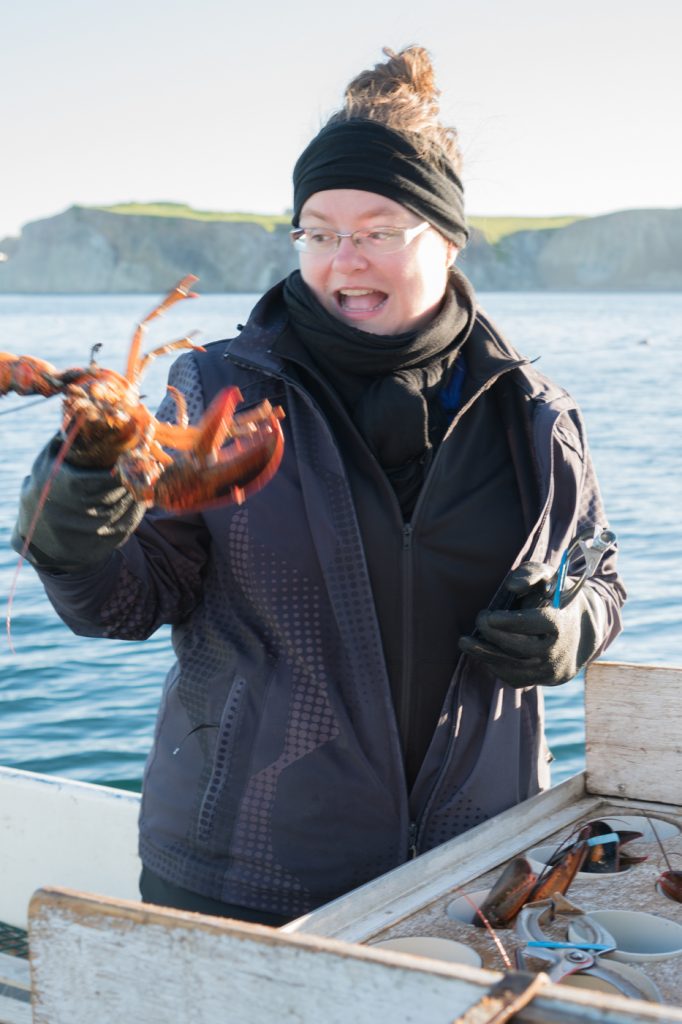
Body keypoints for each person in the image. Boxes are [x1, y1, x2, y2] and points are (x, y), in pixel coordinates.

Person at [13, 46, 625, 926]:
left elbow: (601, 575)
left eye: (378, 231)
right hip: (244, 874)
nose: (345, 261)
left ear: (448, 238)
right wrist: (72, 527)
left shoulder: (534, 416)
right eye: (319, 231)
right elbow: (123, 603)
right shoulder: (216, 389)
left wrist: (573, 630)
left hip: (477, 870)